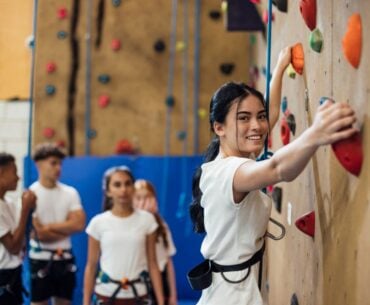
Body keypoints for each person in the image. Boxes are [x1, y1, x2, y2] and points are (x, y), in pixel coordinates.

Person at [189, 81, 357, 305]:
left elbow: (271, 117)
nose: (256, 125)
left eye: (259, 116)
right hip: (230, 296)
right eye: (243, 118)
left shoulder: (237, 158)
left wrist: (278, 67)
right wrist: (316, 133)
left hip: (235, 288)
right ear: (219, 127)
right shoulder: (227, 172)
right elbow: (277, 168)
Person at [83, 166, 164, 305]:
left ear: (133, 187)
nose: (123, 189)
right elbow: (91, 266)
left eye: (128, 184)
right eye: (117, 185)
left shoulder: (147, 220)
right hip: (105, 295)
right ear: (108, 191)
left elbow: (153, 264)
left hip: (139, 296)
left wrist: (161, 301)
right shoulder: (98, 223)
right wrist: (85, 302)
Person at [29, 143, 86, 305]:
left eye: (60, 163)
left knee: (64, 302)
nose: (58, 168)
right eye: (53, 163)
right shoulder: (31, 195)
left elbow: (79, 224)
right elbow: (38, 234)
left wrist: (47, 227)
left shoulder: (70, 193)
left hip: (64, 259)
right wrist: (66, 226)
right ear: (39, 164)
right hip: (40, 259)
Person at [0, 153, 37, 305]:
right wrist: (25, 211)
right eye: (14, 172)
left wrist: (29, 208)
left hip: (14, 274)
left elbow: (24, 233)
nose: (18, 177)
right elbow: (13, 247)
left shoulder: (9, 203)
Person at [134, 179, 177, 305]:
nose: (143, 202)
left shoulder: (162, 226)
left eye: (147, 197)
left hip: (161, 283)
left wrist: (173, 295)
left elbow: (168, 262)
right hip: (140, 282)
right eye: (138, 198)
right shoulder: (131, 227)